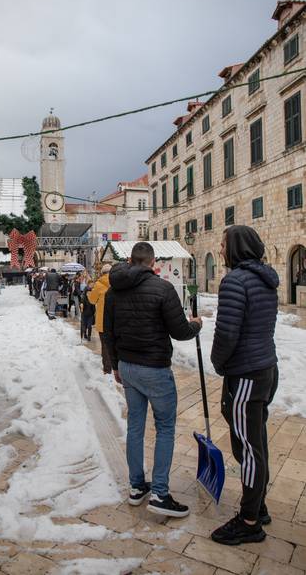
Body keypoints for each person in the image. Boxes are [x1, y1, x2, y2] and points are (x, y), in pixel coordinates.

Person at [103, 242, 202, 516]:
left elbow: (107, 332)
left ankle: (137, 487)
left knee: (135, 425)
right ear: (152, 261)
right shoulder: (163, 288)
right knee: (165, 427)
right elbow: (180, 331)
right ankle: (159, 492)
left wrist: (115, 366)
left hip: (128, 366)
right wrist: (197, 324)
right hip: (155, 368)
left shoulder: (113, 291)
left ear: (130, 260)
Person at [210, 225, 279, 546]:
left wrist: (219, 363)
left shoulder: (235, 281)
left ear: (235, 247)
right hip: (266, 367)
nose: (220, 249)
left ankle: (249, 521)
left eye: (223, 244)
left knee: (248, 449)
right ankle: (258, 505)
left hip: (245, 374)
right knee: (257, 441)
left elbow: (227, 334)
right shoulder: (265, 278)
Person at [87, 264, 113, 374]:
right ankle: (118, 366)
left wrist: (89, 293)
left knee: (105, 346)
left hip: (103, 320)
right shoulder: (117, 283)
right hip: (117, 319)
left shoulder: (98, 284)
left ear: (102, 273)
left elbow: (92, 300)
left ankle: (107, 369)